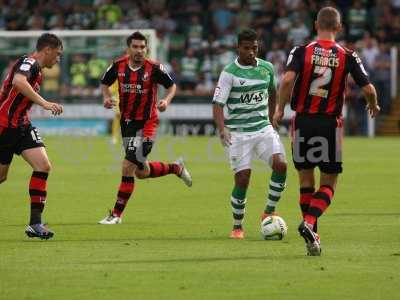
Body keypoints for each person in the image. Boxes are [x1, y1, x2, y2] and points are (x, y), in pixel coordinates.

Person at [273, 7, 380, 256]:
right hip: (330, 124)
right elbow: (369, 89)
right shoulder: (348, 55)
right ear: (339, 28)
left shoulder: (301, 51)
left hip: (302, 122)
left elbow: (287, 80)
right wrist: (373, 104)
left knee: (305, 180)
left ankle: (313, 238)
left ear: (315, 24)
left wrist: (279, 109)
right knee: (329, 182)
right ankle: (310, 225)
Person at [99, 31, 192, 225]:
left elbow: (172, 86)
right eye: (135, 47)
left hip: (147, 124)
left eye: (142, 47)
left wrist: (166, 100)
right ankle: (176, 168)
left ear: (146, 48)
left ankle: (116, 215)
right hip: (127, 124)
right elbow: (105, 83)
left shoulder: (155, 68)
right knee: (141, 172)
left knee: (126, 167)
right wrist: (106, 98)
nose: (139, 50)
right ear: (129, 48)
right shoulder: (118, 66)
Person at [212, 29, 287, 240]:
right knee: (243, 179)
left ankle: (269, 211)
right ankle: (237, 226)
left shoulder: (267, 68)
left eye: (254, 48)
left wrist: (272, 118)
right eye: (246, 48)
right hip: (238, 134)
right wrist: (222, 128)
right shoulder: (229, 73)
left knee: (281, 165)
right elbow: (218, 104)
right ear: (238, 48)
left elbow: (273, 92)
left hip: (262, 129)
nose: (251, 52)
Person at [0, 33, 64, 239]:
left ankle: (35, 223)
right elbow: (18, 81)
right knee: (1, 176)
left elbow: (13, 87)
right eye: (58, 54)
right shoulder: (30, 62)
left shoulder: (37, 70)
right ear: (48, 50)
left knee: (43, 166)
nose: (58, 59)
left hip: (21, 125)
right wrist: (45, 103)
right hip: (4, 127)